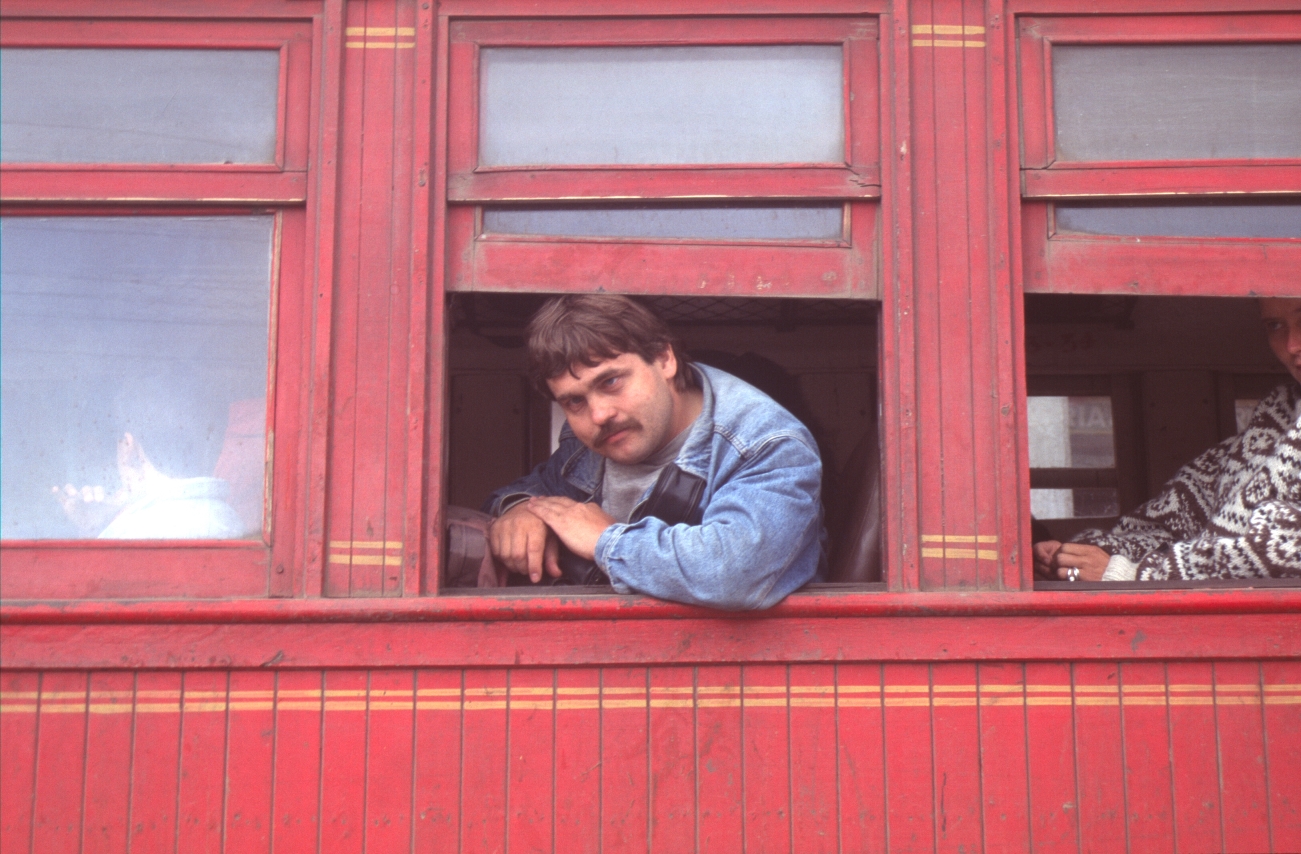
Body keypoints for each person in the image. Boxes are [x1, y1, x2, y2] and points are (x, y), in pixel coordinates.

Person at [483, 294, 825, 609]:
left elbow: (732, 572)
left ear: (664, 359)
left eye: (610, 382)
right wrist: (521, 509)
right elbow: (541, 485)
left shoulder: (766, 444)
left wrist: (605, 540)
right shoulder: (595, 435)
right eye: (574, 401)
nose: (599, 414)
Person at [1035, 297, 1301, 582]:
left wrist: (1133, 574)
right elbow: (1174, 521)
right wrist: (1078, 555)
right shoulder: (1270, 425)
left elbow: (1287, 549)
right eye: (1275, 325)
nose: (1291, 345)